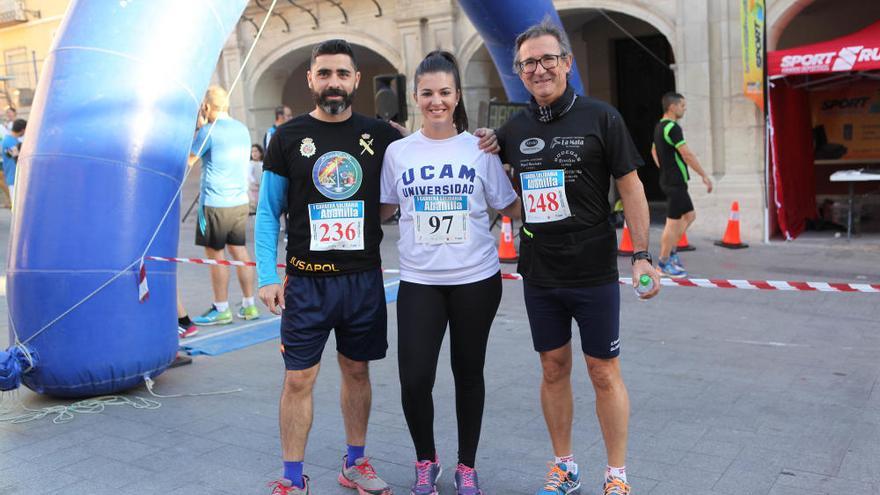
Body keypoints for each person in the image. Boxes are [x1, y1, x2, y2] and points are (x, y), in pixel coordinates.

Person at [256, 39, 499, 495]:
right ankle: (292, 478)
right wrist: (267, 275)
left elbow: (406, 185)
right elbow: (268, 211)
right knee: (298, 378)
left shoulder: (385, 137)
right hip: (306, 281)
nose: (333, 82)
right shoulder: (287, 137)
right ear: (310, 79)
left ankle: (356, 464)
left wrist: (490, 141)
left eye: (342, 74)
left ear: (356, 80)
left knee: (357, 372)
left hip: (362, 279)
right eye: (324, 73)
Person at [495, 20, 660, 495]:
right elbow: (488, 168)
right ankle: (564, 466)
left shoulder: (601, 117)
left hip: (593, 268)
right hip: (540, 270)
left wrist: (644, 256)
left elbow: (632, 190)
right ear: (520, 73)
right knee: (552, 367)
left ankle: (617, 475)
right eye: (529, 63)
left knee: (603, 371)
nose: (539, 69)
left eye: (548, 59)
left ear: (567, 62)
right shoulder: (515, 127)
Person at [379, 51, 520, 495]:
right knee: (415, 377)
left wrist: (526, 165)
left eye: (444, 92)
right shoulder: (398, 153)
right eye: (427, 93)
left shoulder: (479, 150)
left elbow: (510, 205)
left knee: (468, 372)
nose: (436, 101)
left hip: (476, 280)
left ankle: (467, 466)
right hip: (420, 281)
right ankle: (427, 461)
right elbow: (382, 209)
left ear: (457, 95)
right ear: (415, 97)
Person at [188, 86, 260, 326]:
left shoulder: (208, 131)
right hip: (239, 201)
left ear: (206, 107)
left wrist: (198, 127)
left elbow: (189, 160)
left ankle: (221, 308)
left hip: (214, 203)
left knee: (215, 255)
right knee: (239, 251)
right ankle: (250, 305)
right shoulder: (241, 129)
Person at [651, 92, 713, 278]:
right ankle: (663, 263)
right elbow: (687, 155)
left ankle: (671, 253)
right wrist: (704, 175)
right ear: (672, 107)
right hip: (674, 182)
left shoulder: (660, 126)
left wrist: (663, 167)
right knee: (672, 223)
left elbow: (653, 150)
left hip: (672, 180)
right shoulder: (672, 128)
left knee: (690, 216)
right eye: (682, 106)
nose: (684, 109)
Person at [1, 118, 25, 207]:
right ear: (22, 130)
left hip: (16, 177)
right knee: (17, 207)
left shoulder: (15, 141)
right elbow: (16, 156)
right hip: (13, 178)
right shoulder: (8, 141)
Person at [249, 143, 264, 214]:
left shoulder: (263, 164)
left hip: (262, 189)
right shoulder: (250, 164)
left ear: (260, 153)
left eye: (256, 151)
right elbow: (249, 175)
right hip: (253, 190)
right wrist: (255, 182)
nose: (254, 153)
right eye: (252, 151)